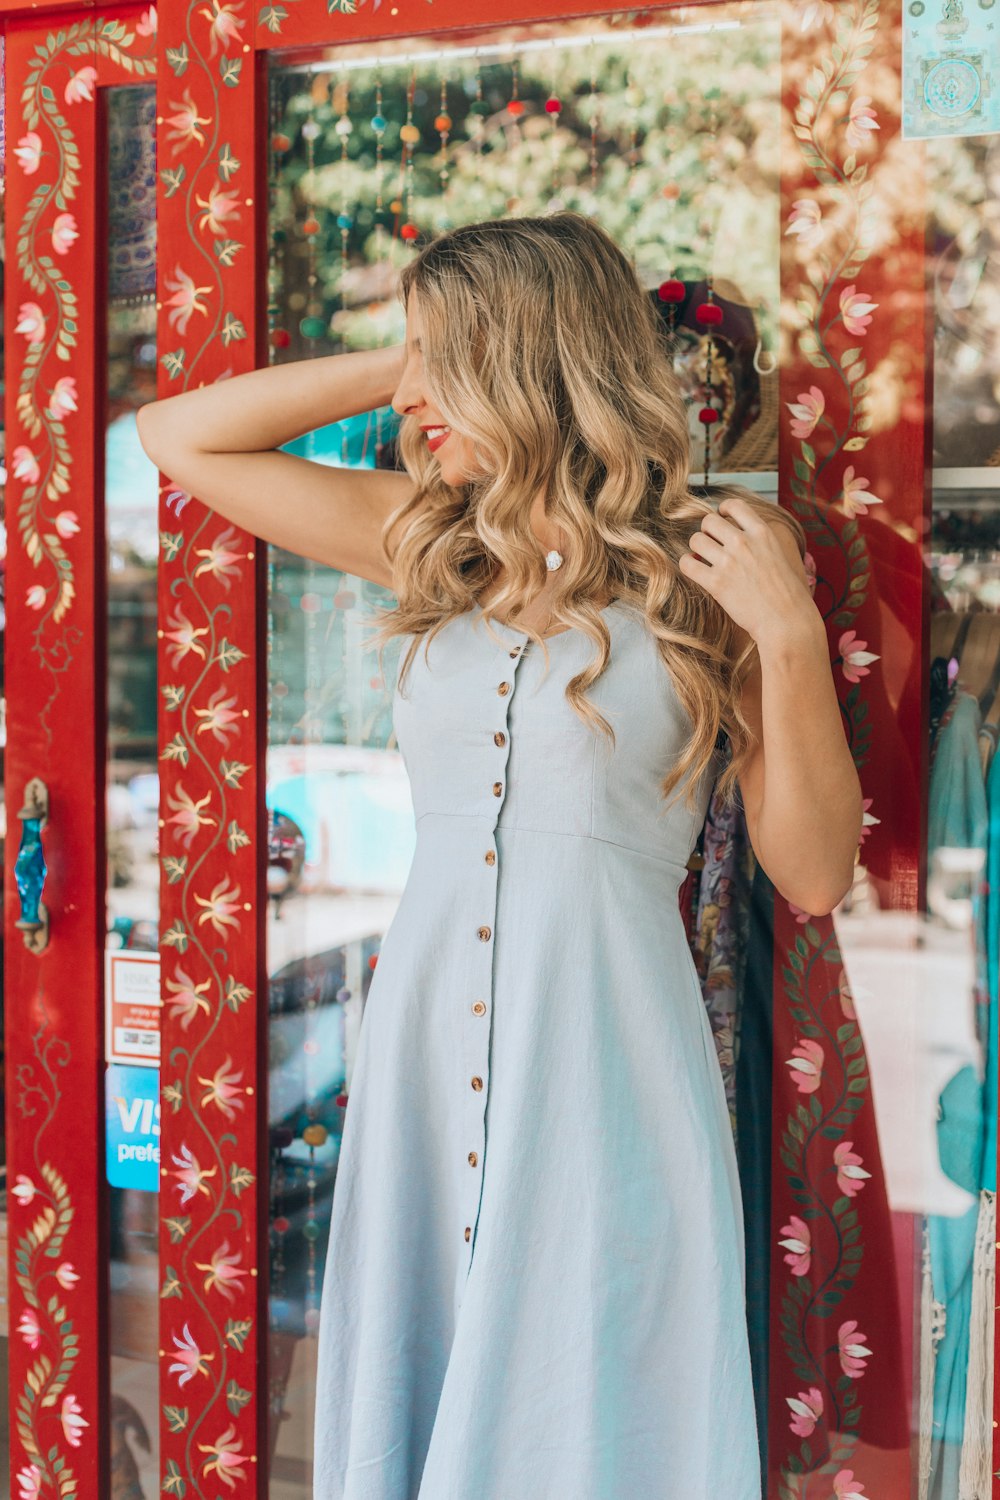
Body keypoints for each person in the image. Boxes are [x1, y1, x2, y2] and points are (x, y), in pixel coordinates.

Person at [137, 212, 864, 1499]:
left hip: (603, 1063)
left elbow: (809, 873)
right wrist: (408, 352)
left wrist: (791, 643)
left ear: (535, 364)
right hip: (423, 1051)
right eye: (418, 366)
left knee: (584, 1399)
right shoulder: (432, 542)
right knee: (431, 1368)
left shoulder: (714, 571)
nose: (416, 401)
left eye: (450, 362)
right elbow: (178, 435)